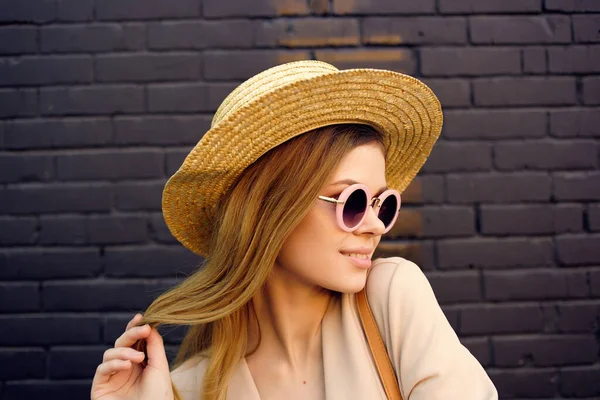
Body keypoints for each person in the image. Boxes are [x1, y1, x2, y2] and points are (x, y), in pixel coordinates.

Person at [91, 60, 498, 400]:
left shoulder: (392, 296)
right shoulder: (187, 387)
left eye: (382, 203)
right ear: (271, 208)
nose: (376, 226)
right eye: (353, 201)